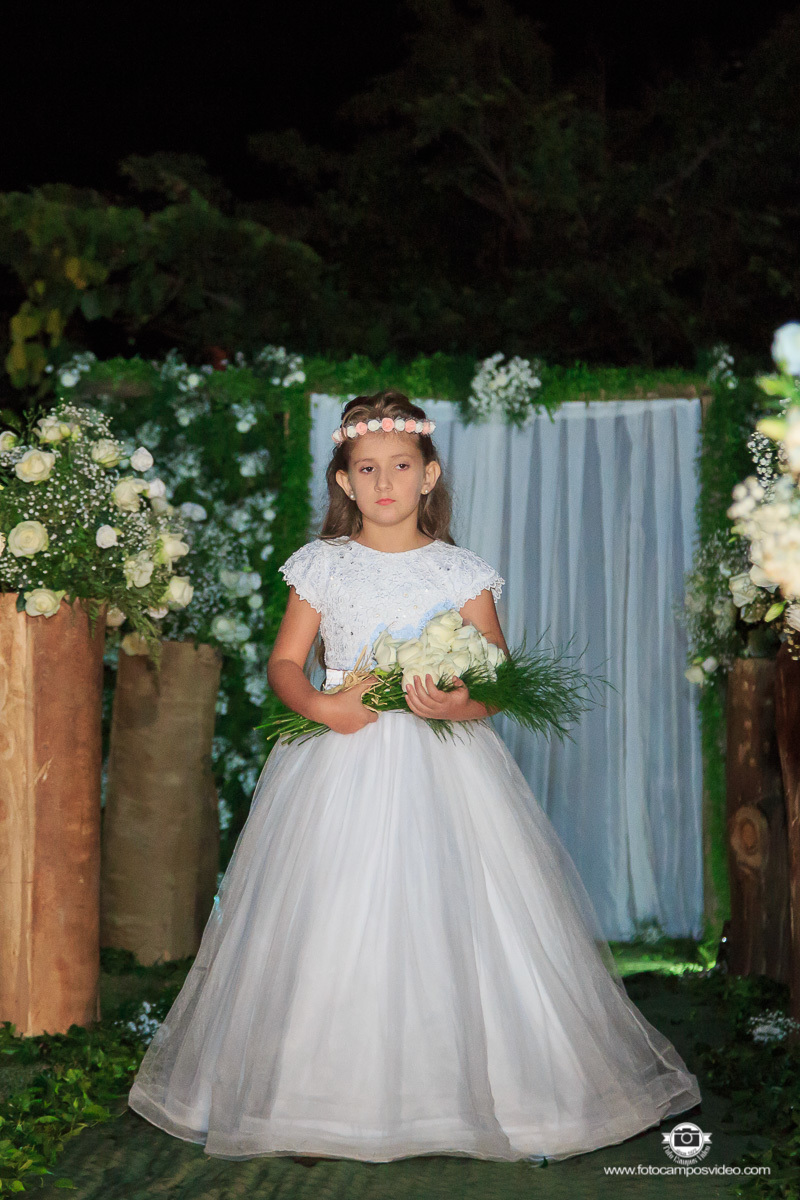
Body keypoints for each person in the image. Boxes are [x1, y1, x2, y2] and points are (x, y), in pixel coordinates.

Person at [127, 389, 702, 1164]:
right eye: (367, 468)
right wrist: (322, 706)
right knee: (331, 911)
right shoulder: (323, 565)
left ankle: (469, 1095)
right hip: (339, 758)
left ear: (429, 476)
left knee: (450, 911)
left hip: (444, 768)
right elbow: (286, 662)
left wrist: (458, 701)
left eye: (401, 466)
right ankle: (310, 1100)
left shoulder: (461, 572)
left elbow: (497, 683)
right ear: (344, 481)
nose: (385, 482)